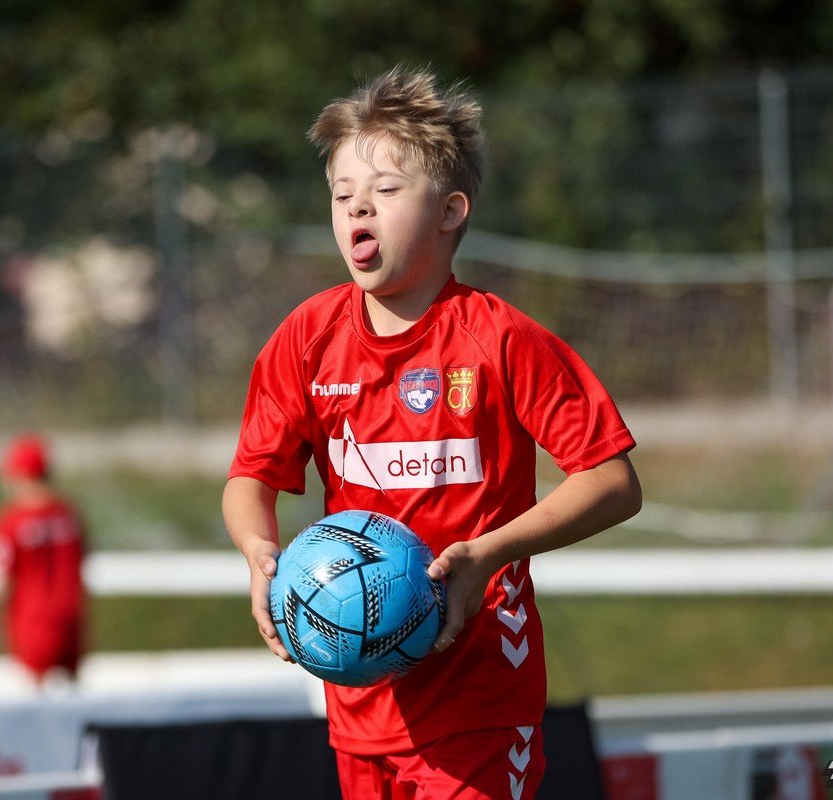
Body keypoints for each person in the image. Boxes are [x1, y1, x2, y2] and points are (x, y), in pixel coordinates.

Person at [222, 65, 642, 800]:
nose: (359, 207)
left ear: (450, 211)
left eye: (386, 190)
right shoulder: (307, 338)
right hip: (358, 696)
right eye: (343, 195)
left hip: (480, 692)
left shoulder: (500, 339)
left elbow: (613, 482)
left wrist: (487, 555)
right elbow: (249, 478)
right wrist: (259, 554)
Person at [0, 434, 88, 687]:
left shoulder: (8, 521)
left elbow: (1, 581)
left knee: (33, 697)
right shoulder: (69, 514)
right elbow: (83, 561)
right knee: (74, 697)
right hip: (70, 618)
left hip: (31, 621)